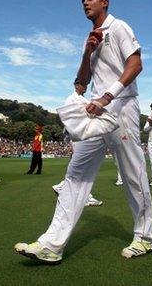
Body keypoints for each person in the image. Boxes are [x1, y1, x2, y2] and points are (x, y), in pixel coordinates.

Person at [15, 0, 152, 263]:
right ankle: (52, 245)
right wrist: (87, 53)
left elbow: (136, 64)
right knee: (75, 174)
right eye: (82, 0)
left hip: (121, 106)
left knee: (132, 174)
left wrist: (107, 95)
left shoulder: (119, 28)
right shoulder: (90, 38)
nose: (84, 3)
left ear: (105, 2)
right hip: (95, 110)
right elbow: (80, 84)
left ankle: (145, 237)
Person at [52, 79, 103, 207]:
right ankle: (85, 197)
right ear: (76, 85)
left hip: (85, 134)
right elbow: (68, 119)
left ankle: (63, 187)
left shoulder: (84, 99)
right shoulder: (71, 99)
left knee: (81, 167)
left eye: (86, 84)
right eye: (82, 84)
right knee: (83, 166)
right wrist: (71, 138)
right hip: (78, 135)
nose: (85, 86)